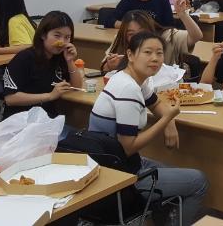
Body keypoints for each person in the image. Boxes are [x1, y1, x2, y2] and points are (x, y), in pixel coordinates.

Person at [89, 31, 208, 224]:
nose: (155, 58)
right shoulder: (128, 90)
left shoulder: (130, 78)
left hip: (113, 163)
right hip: (120, 175)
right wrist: (166, 120)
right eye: (147, 52)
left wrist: (170, 122)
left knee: (172, 170)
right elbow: (129, 147)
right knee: (199, 181)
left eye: (159, 53)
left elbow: (156, 104)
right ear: (130, 55)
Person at [2, 11, 83, 119]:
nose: (62, 42)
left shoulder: (61, 56)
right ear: (43, 35)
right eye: (57, 36)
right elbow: (10, 99)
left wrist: (70, 61)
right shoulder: (24, 58)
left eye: (67, 37)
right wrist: (49, 96)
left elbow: (77, 87)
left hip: (47, 119)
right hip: (21, 120)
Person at [101, 0, 203, 75]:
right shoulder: (121, 39)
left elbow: (196, 36)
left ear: (150, 29)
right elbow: (104, 66)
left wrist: (183, 15)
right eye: (131, 34)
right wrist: (110, 66)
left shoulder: (167, 36)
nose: (137, 38)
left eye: (142, 32)